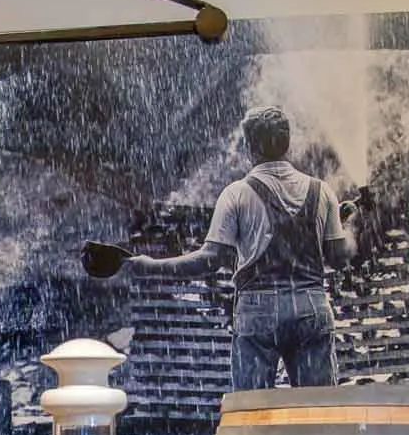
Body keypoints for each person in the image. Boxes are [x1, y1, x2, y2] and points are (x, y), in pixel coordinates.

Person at [123, 105, 354, 390]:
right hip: (311, 306)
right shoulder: (323, 192)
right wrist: (340, 225)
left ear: (249, 147)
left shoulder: (237, 194)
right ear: (287, 144)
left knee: (252, 411)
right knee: (319, 410)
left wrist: (151, 266)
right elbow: (338, 257)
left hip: (259, 312)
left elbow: (209, 259)